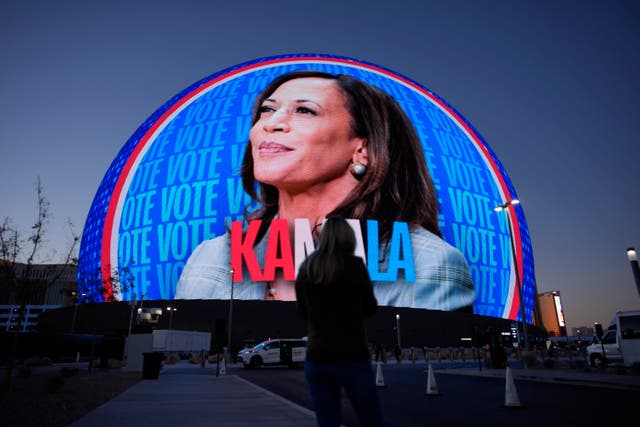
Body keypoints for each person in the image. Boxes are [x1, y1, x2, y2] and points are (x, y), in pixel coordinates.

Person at [175, 70, 474, 311]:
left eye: (304, 110)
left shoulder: (430, 264)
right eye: (267, 110)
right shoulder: (212, 257)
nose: (272, 123)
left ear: (362, 149)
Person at [295, 216, 385, 427]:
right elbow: (370, 308)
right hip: (352, 355)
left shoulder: (307, 268)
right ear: (348, 238)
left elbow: (302, 313)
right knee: (371, 419)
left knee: (327, 422)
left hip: (317, 356)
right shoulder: (354, 266)